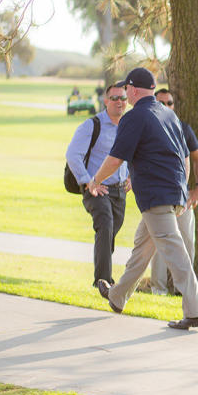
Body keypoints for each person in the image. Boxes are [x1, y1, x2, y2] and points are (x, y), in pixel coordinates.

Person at [87, 67, 198, 330]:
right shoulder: (168, 114)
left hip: (157, 197)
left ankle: (196, 311)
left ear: (133, 89)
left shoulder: (135, 117)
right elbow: (184, 157)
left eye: (126, 89)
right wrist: (182, 188)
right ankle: (117, 296)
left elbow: (116, 157)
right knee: (142, 248)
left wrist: (95, 181)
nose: (125, 95)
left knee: (177, 255)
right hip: (173, 194)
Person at [65, 83, 131, 288]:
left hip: (120, 190)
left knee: (109, 233)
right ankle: (103, 281)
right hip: (97, 188)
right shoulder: (92, 125)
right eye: (114, 98)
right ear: (105, 101)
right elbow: (73, 155)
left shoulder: (129, 126)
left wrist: (132, 175)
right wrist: (87, 181)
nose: (119, 102)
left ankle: (103, 273)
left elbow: (133, 155)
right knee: (105, 226)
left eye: (123, 98)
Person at [149, 88, 198, 295]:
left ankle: (183, 290)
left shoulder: (183, 128)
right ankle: (158, 290)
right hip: (158, 196)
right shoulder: (149, 128)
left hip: (182, 196)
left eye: (169, 103)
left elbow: (197, 159)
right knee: (158, 244)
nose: (165, 106)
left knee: (187, 241)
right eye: (161, 102)